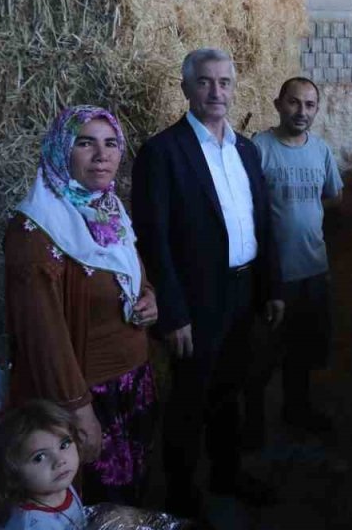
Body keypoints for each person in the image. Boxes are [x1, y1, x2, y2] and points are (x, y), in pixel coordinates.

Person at [131, 48, 284, 516]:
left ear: (234, 87)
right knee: (190, 397)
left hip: (243, 291)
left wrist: (272, 286)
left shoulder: (246, 149)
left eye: (224, 82)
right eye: (204, 82)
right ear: (186, 88)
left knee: (231, 388)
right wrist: (173, 313)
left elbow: (262, 222)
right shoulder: (163, 152)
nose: (216, 92)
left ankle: (226, 473)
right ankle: (181, 494)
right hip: (196, 300)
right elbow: (154, 239)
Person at [4, 106, 159, 505]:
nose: (101, 155)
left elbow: (129, 272)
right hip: (87, 395)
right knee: (97, 497)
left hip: (130, 382)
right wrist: (77, 409)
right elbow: (44, 335)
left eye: (111, 144)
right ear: (61, 150)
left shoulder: (108, 210)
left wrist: (149, 297)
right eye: (85, 143)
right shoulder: (36, 231)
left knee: (132, 490)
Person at [248, 77, 343, 435]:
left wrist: (304, 214)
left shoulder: (320, 150)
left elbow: (334, 196)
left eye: (309, 105)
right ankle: (253, 424)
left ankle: (296, 411)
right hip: (273, 275)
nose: (301, 111)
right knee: (261, 354)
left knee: (303, 350)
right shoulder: (258, 147)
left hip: (313, 269)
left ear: (316, 109)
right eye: (293, 102)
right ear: (277, 104)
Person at [0, 400, 88, 530]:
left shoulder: (60, 485)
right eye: (39, 457)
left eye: (64, 445)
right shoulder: (32, 524)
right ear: (12, 473)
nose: (59, 461)